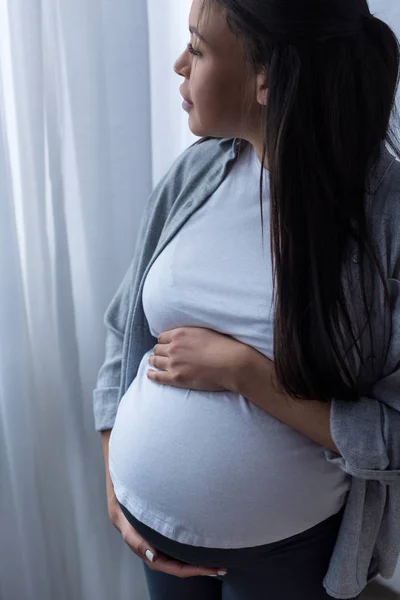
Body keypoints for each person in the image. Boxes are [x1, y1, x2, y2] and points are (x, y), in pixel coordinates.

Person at [93, 1, 400, 598]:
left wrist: (246, 375)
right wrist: (115, 486)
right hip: (152, 539)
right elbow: (122, 328)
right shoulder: (196, 173)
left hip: (291, 558)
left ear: (270, 78)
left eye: (199, 48)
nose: (179, 65)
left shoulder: (384, 216)